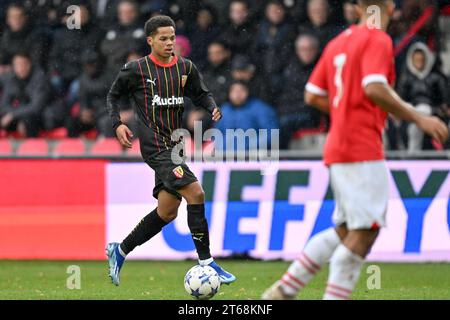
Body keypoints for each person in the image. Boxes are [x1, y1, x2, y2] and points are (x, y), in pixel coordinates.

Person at [262, 0, 448, 300]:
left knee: (346, 228)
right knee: (366, 230)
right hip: (361, 146)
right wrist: (419, 117)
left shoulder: (339, 42)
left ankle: (284, 290)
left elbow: (312, 94)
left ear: (358, 7)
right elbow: (373, 86)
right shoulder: (377, 37)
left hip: (339, 143)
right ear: (390, 6)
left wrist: (346, 111)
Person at [105, 15, 236, 286]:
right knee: (196, 192)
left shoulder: (185, 67)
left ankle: (120, 250)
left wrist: (211, 105)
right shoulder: (137, 69)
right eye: (163, 38)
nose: (169, 43)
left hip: (176, 146)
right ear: (150, 40)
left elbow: (201, 93)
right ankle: (207, 263)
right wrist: (117, 123)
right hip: (156, 148)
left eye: (172, 38)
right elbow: (113, 95)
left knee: (167, 211)